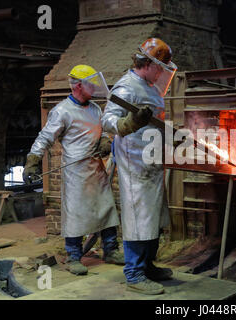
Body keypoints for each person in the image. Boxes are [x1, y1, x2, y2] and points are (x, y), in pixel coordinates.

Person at [23, 65, 146, 275]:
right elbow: (45, 137)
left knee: (106, 208)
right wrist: (33, 160)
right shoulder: (62, 111)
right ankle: (73, 256)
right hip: (75, 173)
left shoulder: (95, 109)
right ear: (79, 86)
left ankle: (111, 250)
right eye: (91, 84)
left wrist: (106, 143)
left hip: (96, 169)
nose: (95, 87)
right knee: (75, 215)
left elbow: (103, 132)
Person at [102, 38, 177, 295]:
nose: (163, 72)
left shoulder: (151, 86)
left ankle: (147, 266)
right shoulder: (127, 87)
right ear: (149, 64)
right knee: (137, 218)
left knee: (152, 218)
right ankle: (134, 274)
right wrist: (129, 122)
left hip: (152, 162)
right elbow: (108, 120)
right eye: (161, 67)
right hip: (135, 163)